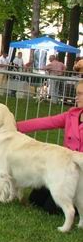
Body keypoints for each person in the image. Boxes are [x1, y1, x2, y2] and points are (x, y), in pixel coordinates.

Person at [17, 80, 83, 214]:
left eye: (80, 94)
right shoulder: (72, 114)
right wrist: (15, 126)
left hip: (80, 170)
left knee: (51, 209)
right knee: (36, 200)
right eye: (77, 93)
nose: (76, 97)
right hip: (64, 166)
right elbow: (46, 122)